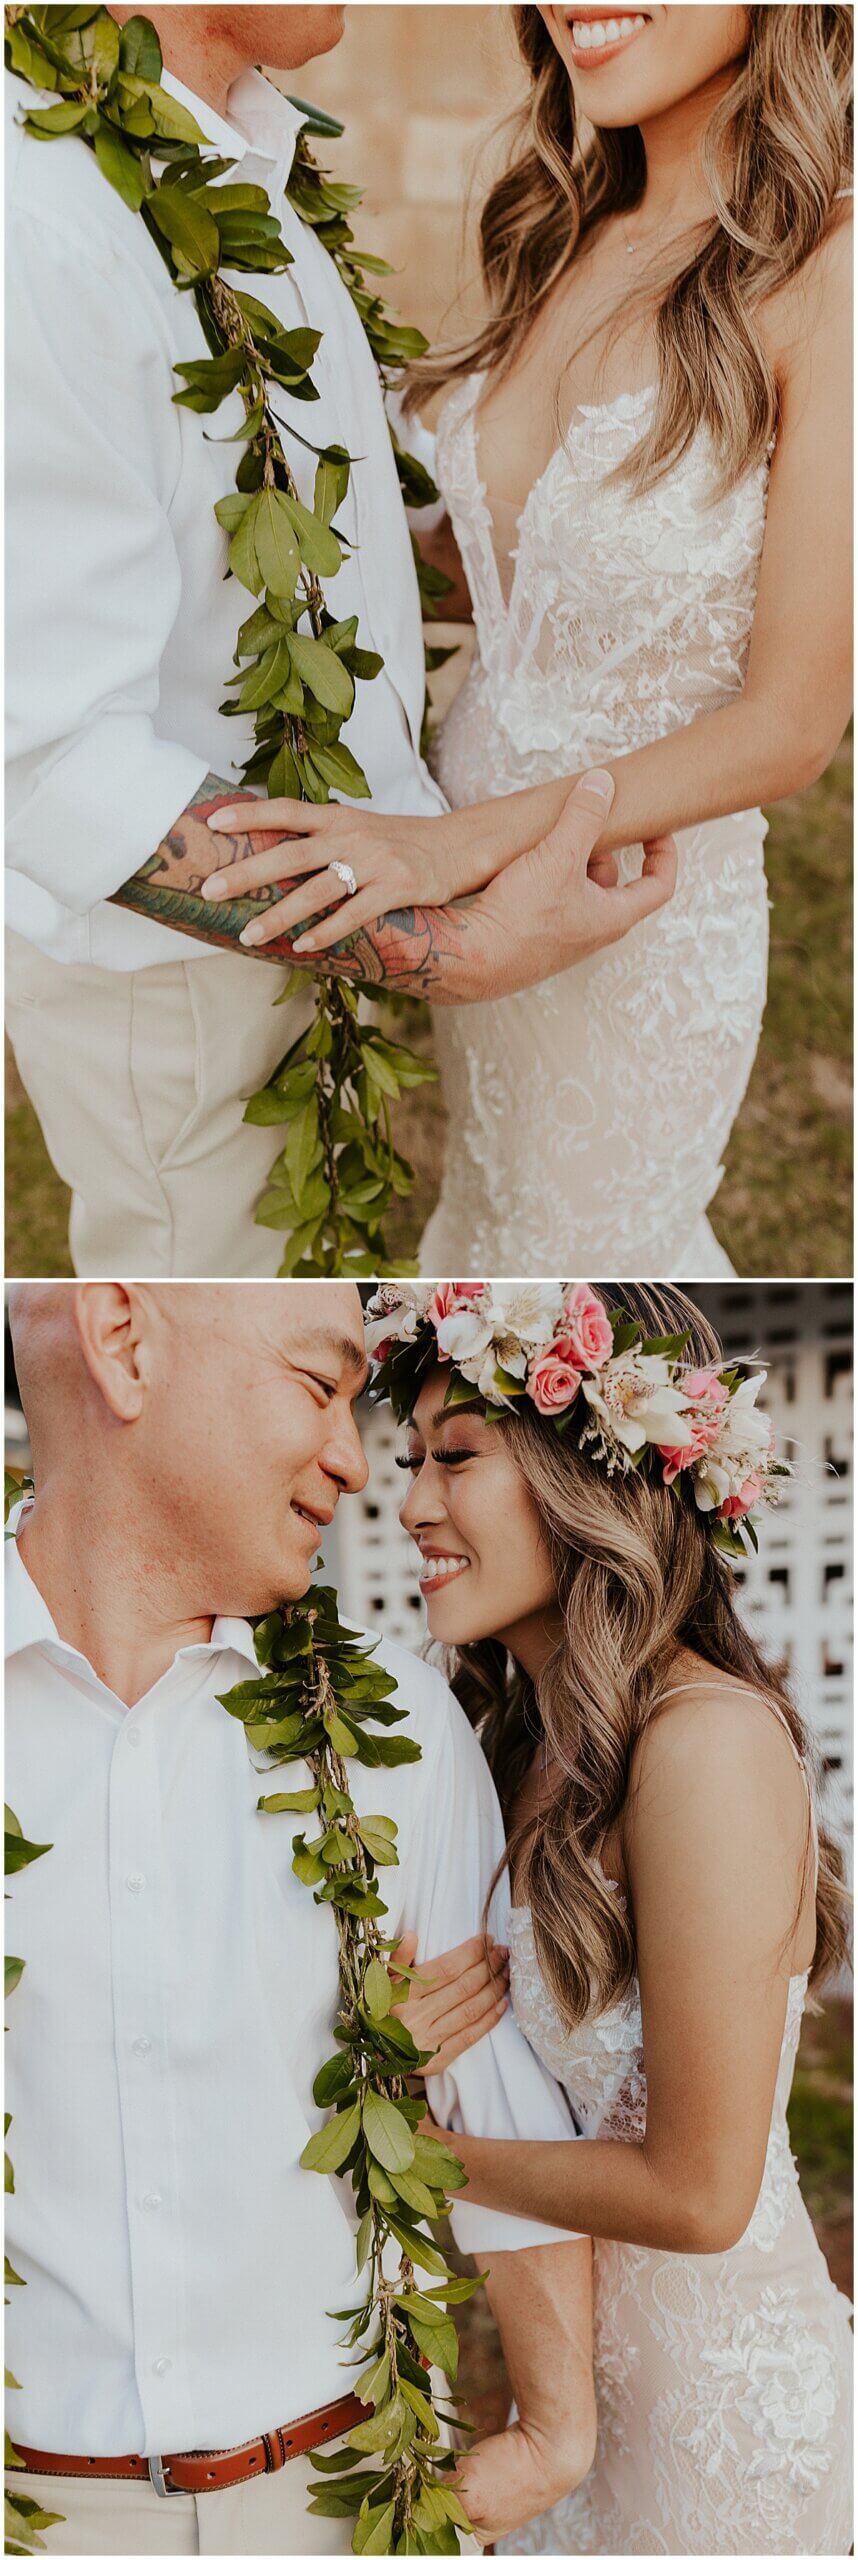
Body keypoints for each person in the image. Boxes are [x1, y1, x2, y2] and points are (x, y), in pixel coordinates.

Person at [5, 3, 675, 1281]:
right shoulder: (41, 220)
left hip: (292, 936)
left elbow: (308, 509)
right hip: (176, 1000)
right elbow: (40, 757)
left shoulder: (235, 155)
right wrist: (447, 948)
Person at [225, 4, 853, 1273]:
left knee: (588, 1275)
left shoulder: (828, 269)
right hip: (469, 891)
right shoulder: (564, 223)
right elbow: (511, 563)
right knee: (495, 1233)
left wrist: (450, 845)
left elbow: (794, 727)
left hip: (628, 916)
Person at [4, 1280, 600, 2558]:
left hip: (343, 2497)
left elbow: (491, 2093)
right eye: (318, 1383)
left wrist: (555, 2432)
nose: (353, 1455)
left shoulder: (397, 1732)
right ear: (122, 1346)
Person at [364, 1278, 853, 2555]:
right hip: (589, 2405)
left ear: (594, 1479)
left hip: (721, 2438)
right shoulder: (519, 1753)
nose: (412, 1503)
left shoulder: (703, 1748)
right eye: (410, 1460)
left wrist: (410, 2152)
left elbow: (699, 2193)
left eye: (456, 1459)